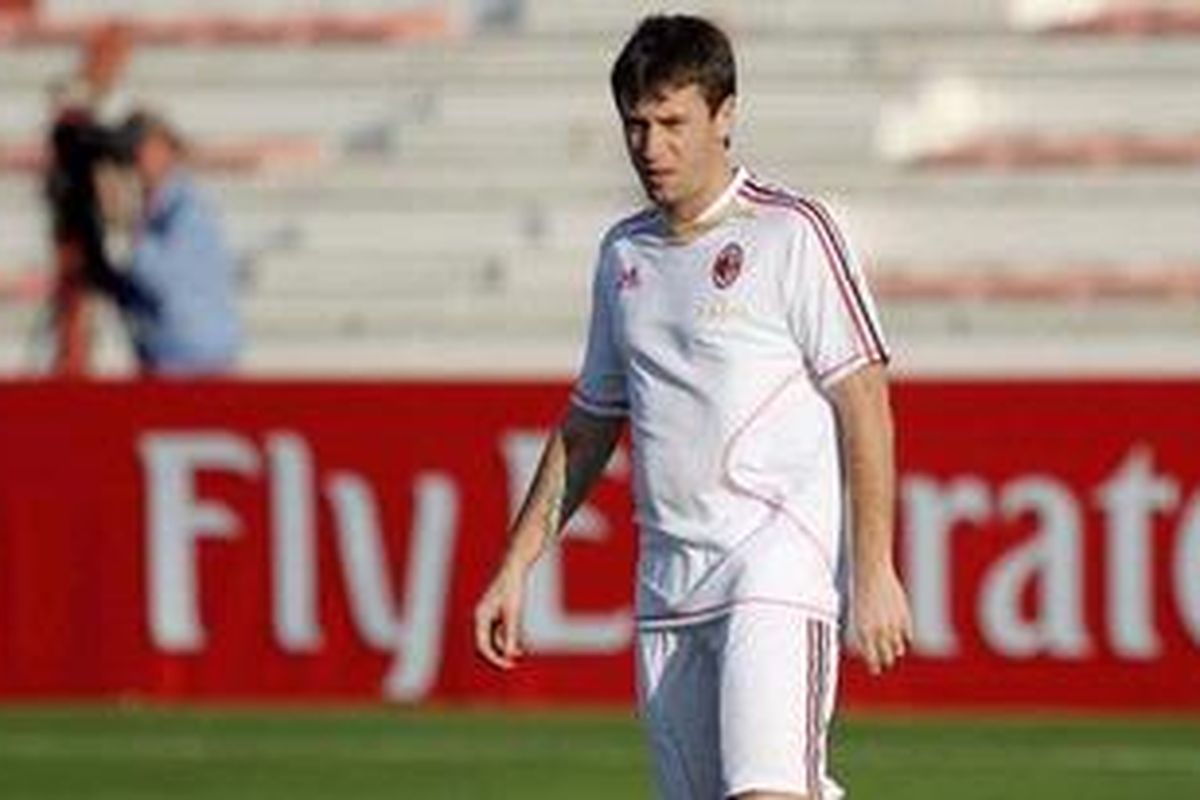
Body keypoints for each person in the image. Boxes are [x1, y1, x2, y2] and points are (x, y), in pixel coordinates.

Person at [474, 14, 912, 800]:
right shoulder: (624, 255)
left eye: (673, 122)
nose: (651, 147)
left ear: (725, 115)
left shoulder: (791, 233)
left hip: (773, 567)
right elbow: (589, 422)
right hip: (669, 587)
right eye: (636, 125)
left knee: (766, 791)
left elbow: (864, 397)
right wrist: (516, 566)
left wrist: (873, 567)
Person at [94, 110, 242, 375]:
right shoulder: (155, 208)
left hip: (194, 360)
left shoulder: (187, 210)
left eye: (141, 149)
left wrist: (125, 225)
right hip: (171, 354)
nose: (135, 161)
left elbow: (163, 280)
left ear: (165, 150)